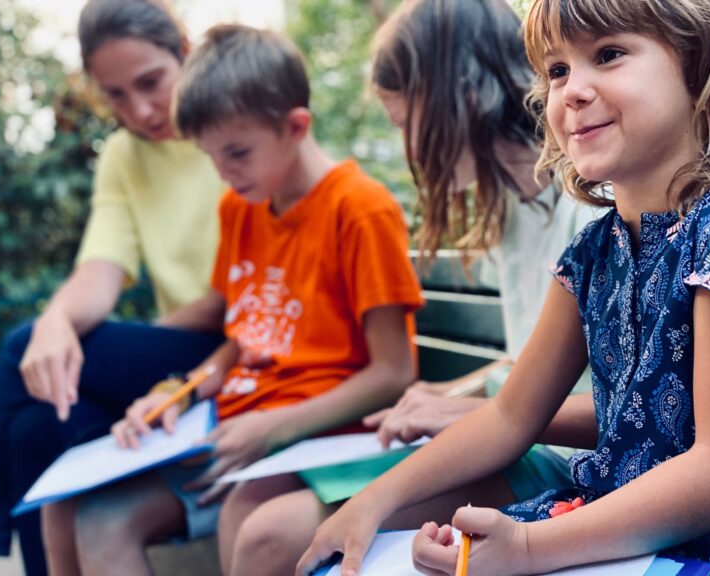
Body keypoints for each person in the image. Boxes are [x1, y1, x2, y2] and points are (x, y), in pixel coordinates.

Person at [297, 0, 710, 573]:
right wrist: (372, 501)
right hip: (610, 535)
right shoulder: (589, 254)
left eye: (608, 55)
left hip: (702, 549)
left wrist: (528, 547)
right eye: (557, 70)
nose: (573, 90)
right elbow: (509, 417)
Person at [216, 2, 602, 575]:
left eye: (405, 125)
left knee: (271, 537)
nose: (407, 151)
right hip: (525, 435)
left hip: (566, 460)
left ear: (456, 95)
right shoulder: (518, 210)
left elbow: (619, 402)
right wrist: (452, 396)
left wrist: (475, 404)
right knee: (253, 510)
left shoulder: (589, 207)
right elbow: (529, 361)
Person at [41, 22, 424, 576]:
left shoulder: (358, 209)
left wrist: (274, 427)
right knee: (87, 513)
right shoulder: (241, 208)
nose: (224, 173)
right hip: (229, 429)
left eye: (237, 153)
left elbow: (393, 371)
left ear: (296, 126)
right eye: (211, 157)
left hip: (312, 436)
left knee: (244, 512)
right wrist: (179, 390)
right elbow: (240, 339)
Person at [0, 1, 228, 574]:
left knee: (19, 346)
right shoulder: (123, 155)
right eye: (115, 95)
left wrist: (128, 345)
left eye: (151, 82)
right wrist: (59, 322)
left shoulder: (231, 130)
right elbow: (101, 267)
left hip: (229, 356)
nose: (139, 109)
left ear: (183, 50)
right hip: (168, 364)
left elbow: (233, 300)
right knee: (40, 423)